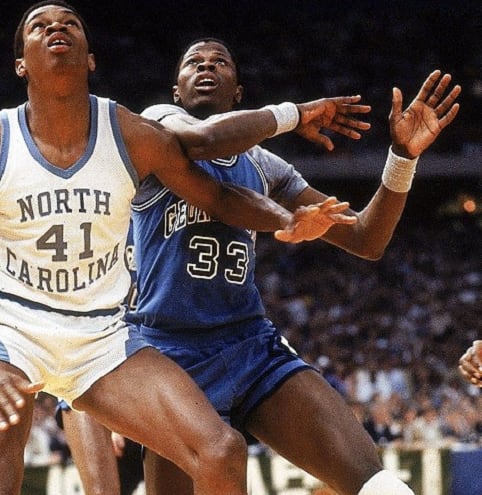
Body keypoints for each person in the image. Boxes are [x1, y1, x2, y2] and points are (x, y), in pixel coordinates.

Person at [0, 3, 359, 495]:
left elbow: (215, 196)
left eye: (71, 24)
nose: (57, 28)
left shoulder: (128, 134)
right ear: (21, 64)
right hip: (14, 331)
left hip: (102, 336)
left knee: (220, 451)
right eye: (39, 26)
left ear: (91, 60)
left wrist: (286, 220)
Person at [63, 38, 460, 495]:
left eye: (220, 62)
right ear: (176, 91)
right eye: (194, 62)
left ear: (237, 92)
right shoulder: (156, 126)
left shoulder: (265, 165)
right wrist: (293, 113)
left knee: (378, 485)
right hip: (167, 354)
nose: (206, 66)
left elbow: (365, 239)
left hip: (250, 344)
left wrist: (402, 158)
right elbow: (206, 140)